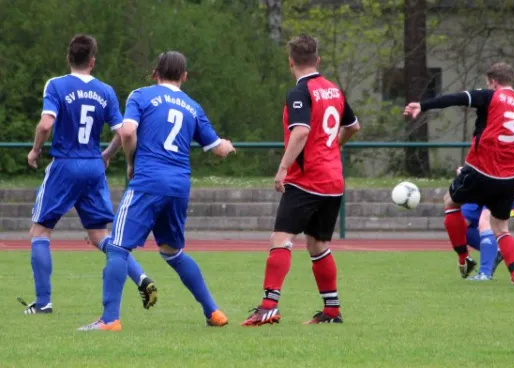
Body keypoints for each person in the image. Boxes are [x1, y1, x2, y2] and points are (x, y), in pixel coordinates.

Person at [78, 51, 236, 332]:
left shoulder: (142, 95)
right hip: (178, 186)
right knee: (173, 252)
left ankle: (109, 320)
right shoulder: (193, 106)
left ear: (155, 73)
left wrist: (130, 164)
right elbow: (219, 150)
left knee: (116, 247)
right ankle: (213, 312)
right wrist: (227, 143)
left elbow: (127, 132)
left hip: (148, 182)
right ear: (184, 77)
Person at [21, 34, 156, 315]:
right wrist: (107, 156)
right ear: (92, 61)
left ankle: (43, 302)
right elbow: (123, 132)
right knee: (100, 236)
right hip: (94, 166)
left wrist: (35, 151)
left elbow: (46, 125)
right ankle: (141, 277)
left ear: (69, 58)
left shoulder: (56, 85)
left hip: (66, 163)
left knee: (40, 231)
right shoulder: (105, 91)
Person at [241, 35, 360, 327]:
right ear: (317, 60)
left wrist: (283, 168)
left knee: (280, 239)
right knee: (318, 244)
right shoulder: (334, 89)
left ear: (290, 61)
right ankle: (331, 310)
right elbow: (354, 126)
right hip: (333, 180)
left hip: (307, 179)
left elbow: (301, 132)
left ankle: (268, 306)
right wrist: (334, 147)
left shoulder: (299, 91)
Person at [404, 62, 514, 286]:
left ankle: (464, 258)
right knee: (501, 228)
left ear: (492, 81)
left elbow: (455, 98)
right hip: (508, 179)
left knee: (450, 203)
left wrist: (423, 105)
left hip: (480, 170)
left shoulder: (491, 97)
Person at [462, 136, 514, 281]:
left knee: (486, 221)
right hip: (481, 183)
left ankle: (485, 273)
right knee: (460, 223)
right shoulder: (487, 122)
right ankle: (496, 251)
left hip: (506, 185)